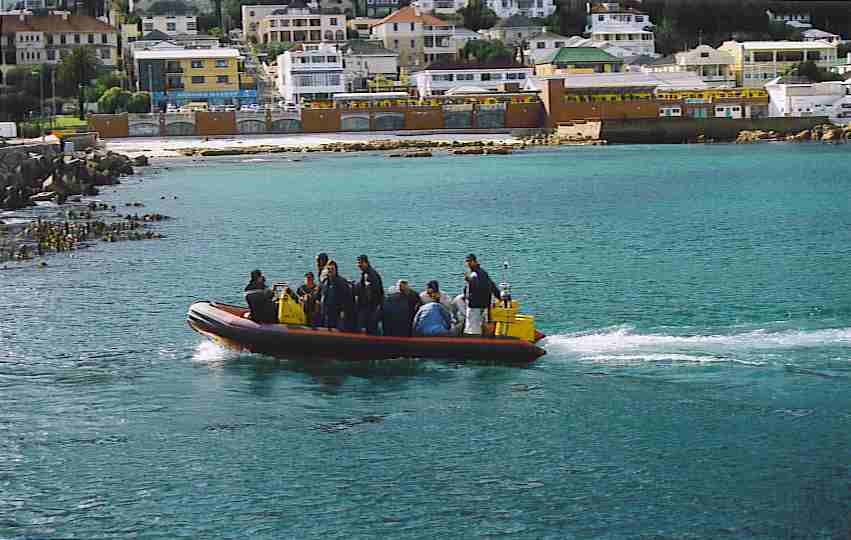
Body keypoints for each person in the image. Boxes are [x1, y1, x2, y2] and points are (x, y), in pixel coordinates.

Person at [463, 253, 501, 335]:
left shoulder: (475, 274)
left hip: (475, 305)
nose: (468, 263)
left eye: (470, 261)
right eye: (467, 261)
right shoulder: (483, 273)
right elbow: (492, 286)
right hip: (484, 304)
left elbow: (478, 285)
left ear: (475, 261)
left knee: (473, 329)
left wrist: (469, 280)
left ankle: (474, 340)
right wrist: (499, 297)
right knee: (482, 325)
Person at [354, 254, 384, 335]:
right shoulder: (366, 273)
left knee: (370, 328)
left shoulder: (370, 275)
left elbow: (371, 293)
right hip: (371, 306)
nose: (359, 265)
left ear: (366, 263)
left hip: (370, 307)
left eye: (360, 263)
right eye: (358, 263)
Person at [319, 260, 353, 330]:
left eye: (332, 269)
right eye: (328, 269)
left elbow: (347, 299)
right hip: (326, 311)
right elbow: (321, 295)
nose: (330, 271)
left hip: (338, 312)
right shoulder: (325, 282)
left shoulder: (342, 282)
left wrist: (343, 312)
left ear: (336, 270)